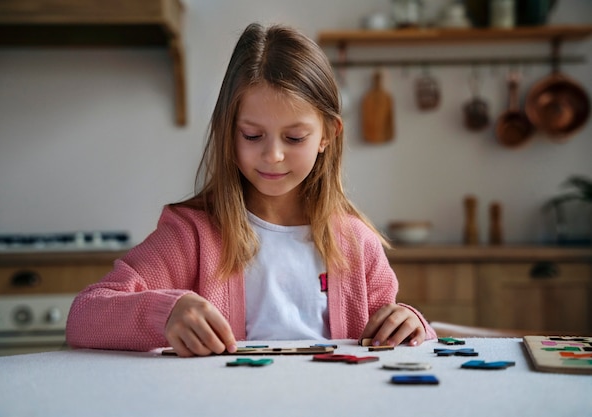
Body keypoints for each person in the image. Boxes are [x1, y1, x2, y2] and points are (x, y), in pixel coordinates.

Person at [66, 22, 437, 357]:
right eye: (252, 135)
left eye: (294, 137)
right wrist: (165, 313)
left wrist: (413, 324)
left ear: (327, 134)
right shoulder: (192, 235)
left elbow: (396, 340)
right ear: (229, 131)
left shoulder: (357, 245)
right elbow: (85, 314)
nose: (273, 155)